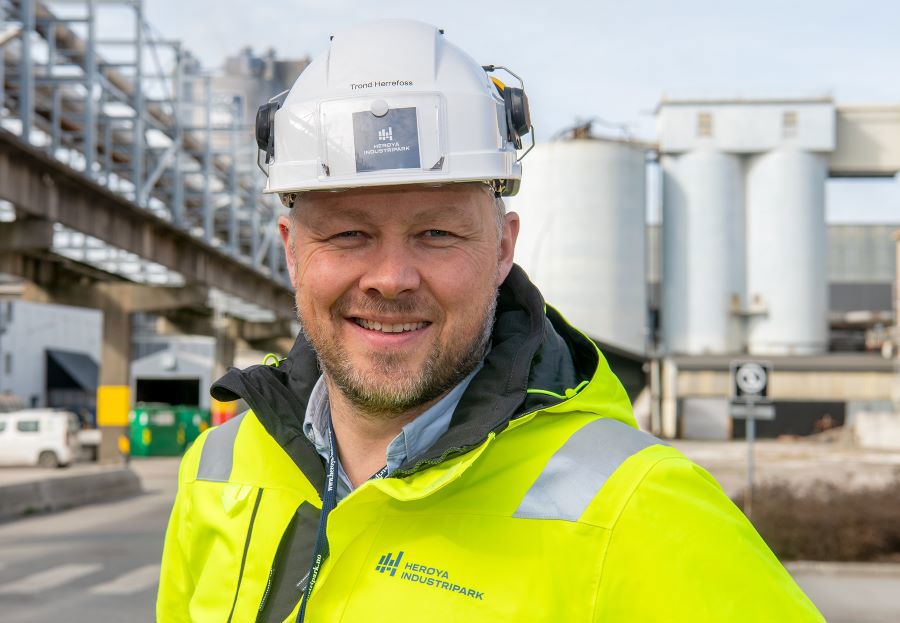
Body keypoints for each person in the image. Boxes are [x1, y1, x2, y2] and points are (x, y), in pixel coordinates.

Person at [157, 19, 823, 622]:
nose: (390, 277)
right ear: (291, 250)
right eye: (350, 234)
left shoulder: (637, 507)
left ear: (503, 248)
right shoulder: (217, 469)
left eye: (437, 234)